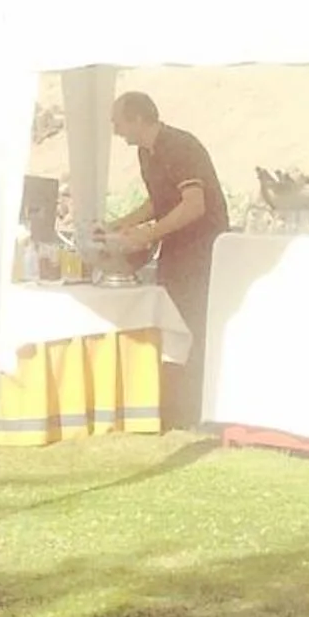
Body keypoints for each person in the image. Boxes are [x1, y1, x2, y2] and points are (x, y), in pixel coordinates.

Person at [107, 90, 230, 431]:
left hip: (202, 247)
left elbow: (194, 204)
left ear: (137, 118)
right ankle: (175, 404)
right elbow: (158, 201)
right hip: (175, 248)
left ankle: (198, 408)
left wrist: (148, 235)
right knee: (173, 321)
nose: (116, 131)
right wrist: (120, 223)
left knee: (193, 323)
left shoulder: (180, 146)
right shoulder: (147, 153)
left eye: (118, 122)